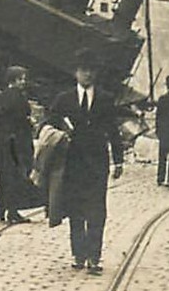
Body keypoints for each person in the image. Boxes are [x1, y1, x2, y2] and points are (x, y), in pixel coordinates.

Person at [47, 51, 125, 273]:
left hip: (97, 161)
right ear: (76, 72)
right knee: (76, 209)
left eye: (91, 70)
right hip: (71, 162)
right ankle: (79, 254)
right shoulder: (64, 99)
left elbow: (113, 130)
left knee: (97, 209)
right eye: (83, 70)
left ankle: (95, 256)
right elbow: (49, 124)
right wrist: (62, 129)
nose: (87, 74)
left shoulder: (105, 98)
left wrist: (118, 160)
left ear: (96, 73)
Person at [0, 65, 41, 223]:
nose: (23, 82)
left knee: (6, 174)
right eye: (21, 79)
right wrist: (29, 121)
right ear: (13, 80)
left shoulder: (4, 95)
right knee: (17, 174)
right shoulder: (17, 96)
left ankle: (1, 208)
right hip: (19, 142)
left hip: (7, 141)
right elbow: (20, 117)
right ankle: (13, 211)